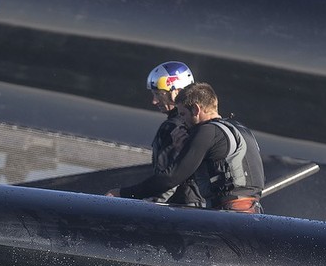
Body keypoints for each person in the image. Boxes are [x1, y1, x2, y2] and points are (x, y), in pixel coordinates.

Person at [108, 82, 265, 213]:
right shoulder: (240, 128)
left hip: (230, 213)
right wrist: (183, 149)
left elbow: (171, 178)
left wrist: (122, 193)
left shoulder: (207, 131)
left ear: (196, 109)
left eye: (183, 114)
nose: (182, 122)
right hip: (253, 210)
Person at [143, 61, 202, 207]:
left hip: (179, 207)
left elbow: (169, 178)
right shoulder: (199, 125)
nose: (154, 101)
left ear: (177, 92)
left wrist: (150, 207)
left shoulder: (171, 127)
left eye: (159, 94)